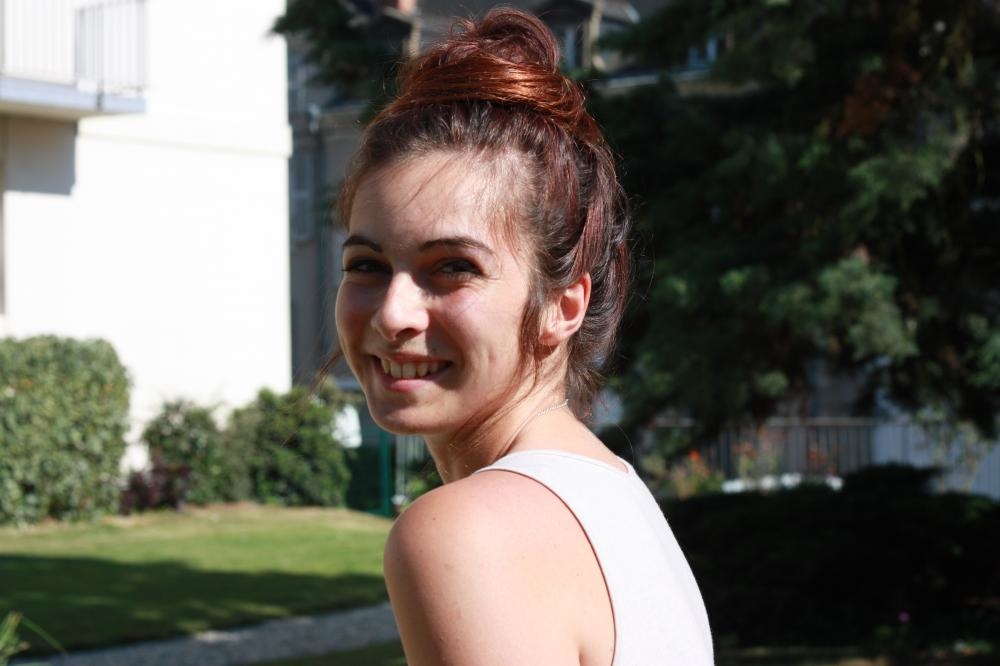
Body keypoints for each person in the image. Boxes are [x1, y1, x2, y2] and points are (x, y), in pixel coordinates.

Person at [332, 8, 714, 665]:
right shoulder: (612, 496)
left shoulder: (466, 533)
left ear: (563, 306)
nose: (394, 314)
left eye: (453, 267)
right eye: (367, 265)